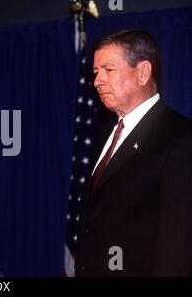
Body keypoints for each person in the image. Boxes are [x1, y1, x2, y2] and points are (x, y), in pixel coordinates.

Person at [75, 30, 192, 276]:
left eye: (109, 70)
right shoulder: (103, 138)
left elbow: (178, 244)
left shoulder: (179, 136)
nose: (97, 81)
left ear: (143, 73)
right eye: (96, 72)